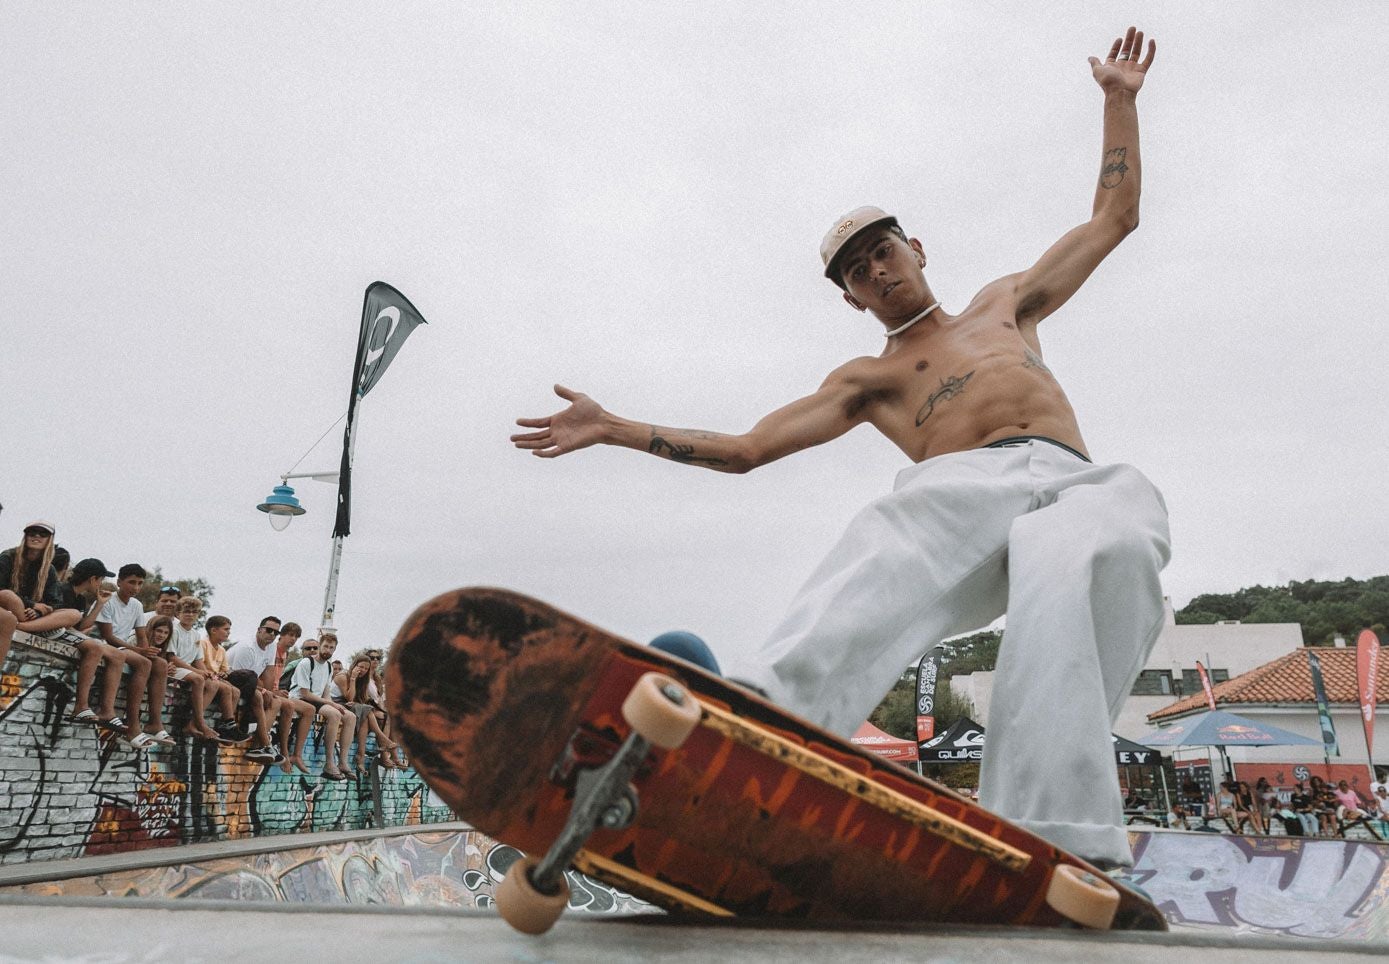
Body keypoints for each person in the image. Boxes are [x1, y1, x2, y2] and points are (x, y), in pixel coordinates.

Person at [510, 26, 1165, 869]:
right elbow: (747, 449)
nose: (878, 271)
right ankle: (762, 718)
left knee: (1099, 552)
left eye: (883, 252)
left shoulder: (1007, 303)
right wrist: (613, 427)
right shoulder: (869, 378)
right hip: (961, 489)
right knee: (892, 536)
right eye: (858, 271)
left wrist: (1117, 99)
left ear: (916, 249)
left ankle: (1052, 831)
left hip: (1077, 482)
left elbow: (1114, 216)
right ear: (852, 299)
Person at [94, 563, 174, 749]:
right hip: (106, 645)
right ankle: (133, 726)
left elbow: (141, 635)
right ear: (119, 582)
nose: (136, 588)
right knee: (143, 664)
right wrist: (141, 653)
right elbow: (109, 637)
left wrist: (149, 652)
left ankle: (155, 722)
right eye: (131, 582)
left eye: (139, 583)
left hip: (124, 649)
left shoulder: (137, 605)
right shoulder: (109, 600)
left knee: (160, 664)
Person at [289, 634, 355, 780]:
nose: (328, 650)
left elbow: (326, 692)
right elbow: (304, 693)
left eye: (331, 648)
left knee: (350, 716)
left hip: (318, 700)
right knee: (334, 714)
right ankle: (329, 763)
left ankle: (343, 762)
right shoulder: (306, 663)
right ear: (320, 646)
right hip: (301, 699)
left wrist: (333, 703)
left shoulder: (329, 667)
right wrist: (330, 704)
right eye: (325, 646)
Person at [0, 522, 82, 636]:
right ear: (26, 536)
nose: (37, 536)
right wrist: (32, 604)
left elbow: (55, 602)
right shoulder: (8, 557)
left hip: (31, 616)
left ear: (50, 539)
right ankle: (30, 626)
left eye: (43, 534)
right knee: (8, 595)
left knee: (75, 614)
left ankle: (21, 627)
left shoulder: (49, 569)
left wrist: (37, 611)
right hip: (9, 609)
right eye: (32, 533)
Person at [224, 616, 288, 765]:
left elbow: (269, 672)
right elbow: (240, 678)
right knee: (259, 697)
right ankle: (266, 745)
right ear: (259, 630)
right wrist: (263, 690)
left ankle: (257, 747)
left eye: (276, 633)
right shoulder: (246, 648)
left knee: (275, 701)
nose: (272, 635)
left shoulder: (271, 646)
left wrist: (268, 691)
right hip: (232, 680)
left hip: (250, 681)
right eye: (269, 630)